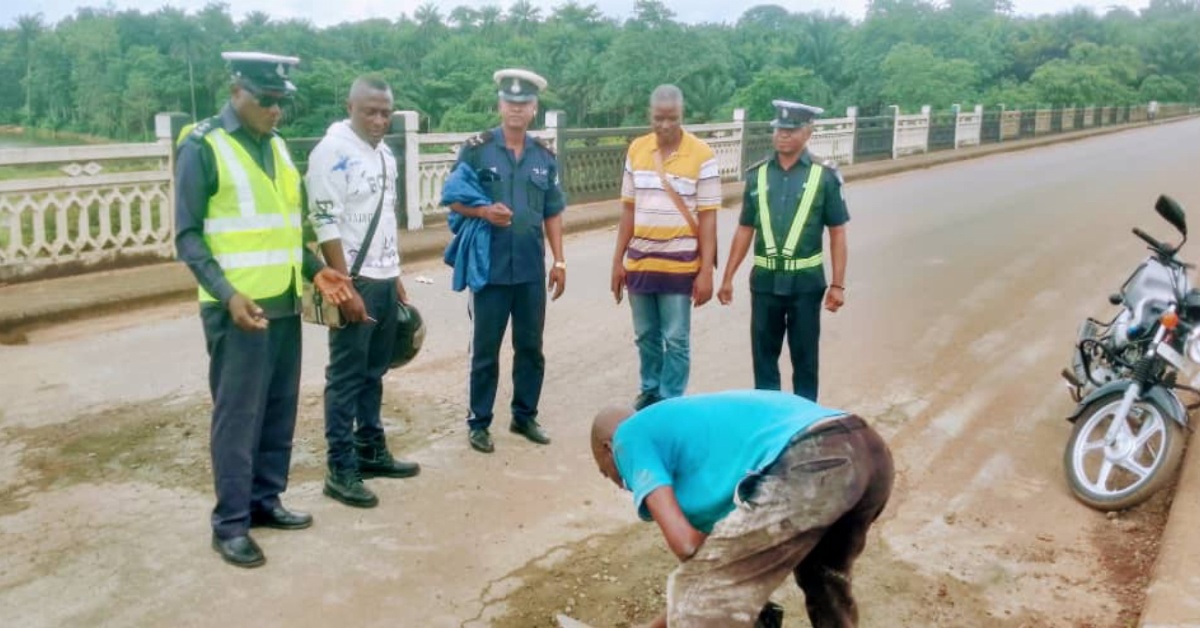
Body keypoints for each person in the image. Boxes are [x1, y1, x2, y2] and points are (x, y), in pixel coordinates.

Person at [174, 51, 354, 568]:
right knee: (238, 417)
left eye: (282, 103)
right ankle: (230, 523)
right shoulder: (203, 145)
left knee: (279, 409)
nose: (276, 111)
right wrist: (226, 294)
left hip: (282, 303)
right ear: (237, 91)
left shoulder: (276, 149)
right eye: (267, 100)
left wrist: (313, 267)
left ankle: (265, 500)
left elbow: (284, 230)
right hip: (236, 310)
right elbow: (187, 236)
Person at [590, 390, 894, 627]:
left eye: (606, 472)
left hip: (813, 456)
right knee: (824, 581)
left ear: (608, 448)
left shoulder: (627, 436)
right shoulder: (703, 450)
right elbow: (727, 556)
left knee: (704, 596)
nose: (620, 483)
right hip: (869, 455)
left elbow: (687, 548)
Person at [305, 75, 420, 510]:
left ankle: (371, 448)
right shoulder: (331, 152)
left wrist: (395, 273)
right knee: (347, 375)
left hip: (383, 276)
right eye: (370, 111)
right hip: (352, 279)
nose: (378, 120)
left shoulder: (385, 154)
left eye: (385, 112)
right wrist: (342, 282)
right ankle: (340, 467)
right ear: (350, 106)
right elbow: (325, 220)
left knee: (375, 370)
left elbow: (384, 218)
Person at [444, 68, 567, 454]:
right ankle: (479, 422)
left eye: (524, 104)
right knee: (485, 349)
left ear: (534, 109)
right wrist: (482, 214)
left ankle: (524, 416)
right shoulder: (477, 148)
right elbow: (453, 197)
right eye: (510, 103)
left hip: (530, 267)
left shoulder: (545, 157)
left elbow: (553, 211)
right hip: (490, 268)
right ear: (500, 105)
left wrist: (560, 261)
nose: (516, 109)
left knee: (530, 346)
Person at [718, 100, 849, 401]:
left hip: (805, 283)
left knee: (805, 362)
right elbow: (745, 228)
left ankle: (804, 426)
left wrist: (838, 285)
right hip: (764, 282)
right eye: (779, 130)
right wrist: (727, 277)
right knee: (764, 362)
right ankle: (770, 424)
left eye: (791, 130)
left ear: (807, 133)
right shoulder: (757, 175)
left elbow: (838, 232)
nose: (783, 136)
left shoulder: (824, 176)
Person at [611, 84, 720, 411]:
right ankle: (650, 391)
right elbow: (628, 211)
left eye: (672, 118)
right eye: (659, 118)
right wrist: (618, 262)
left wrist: (705, 272)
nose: (665, 125)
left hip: (680, 265)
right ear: (650, 115)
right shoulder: (637, 150)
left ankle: (671, 399)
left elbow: (709, 219)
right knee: (645, 335)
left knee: (676, 339)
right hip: (641, 262)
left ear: (681, 115)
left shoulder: (703, 155)